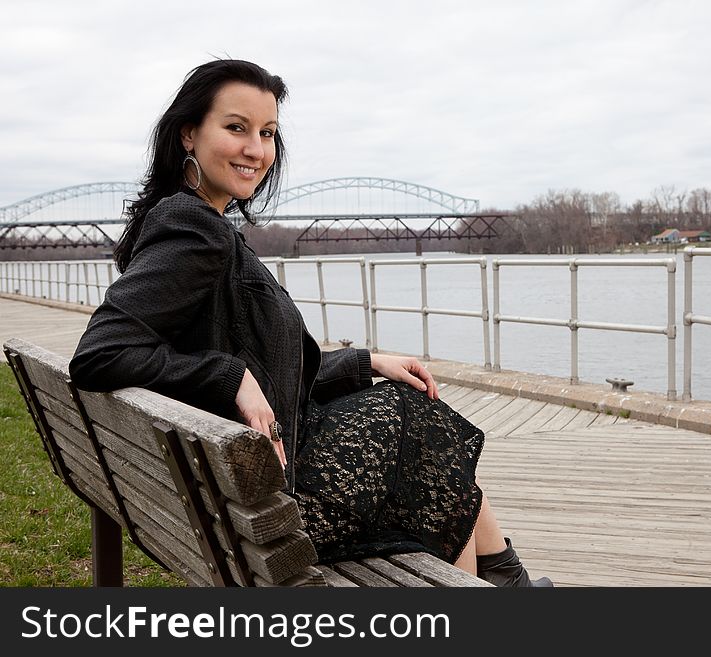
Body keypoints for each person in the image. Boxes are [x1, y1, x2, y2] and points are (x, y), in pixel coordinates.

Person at [69, 59, 551, 587]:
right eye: (236, 128)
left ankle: (502, 578)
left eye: (268, 133)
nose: (256, 149)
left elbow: (271, 365)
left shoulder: (193, 221)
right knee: (417, 425)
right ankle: (497, 584)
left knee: (409, 414)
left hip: (227, 498)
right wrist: (231, 378)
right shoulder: (193, 229)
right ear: (189, 133)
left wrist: (364, 362)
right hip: (268, 508)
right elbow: (100, 354)